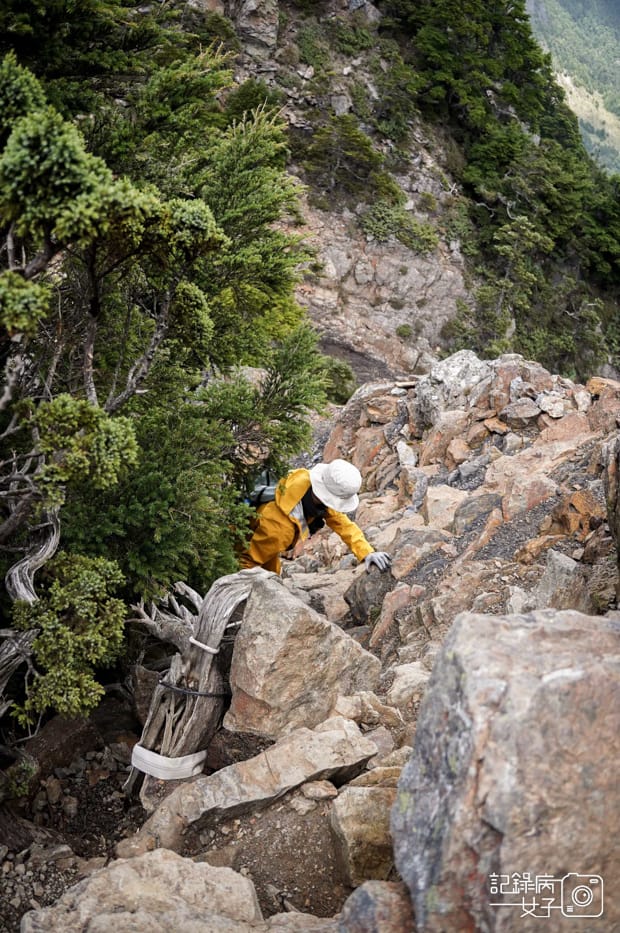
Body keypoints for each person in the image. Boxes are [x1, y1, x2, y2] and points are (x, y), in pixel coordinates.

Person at [239, 458, 392, 575]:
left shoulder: (305, 483)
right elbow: (247, 562)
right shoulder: (280, 526)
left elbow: (342, 523)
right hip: (241, 546)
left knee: (271, 575)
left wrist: (366, 552)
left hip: (264, 546)